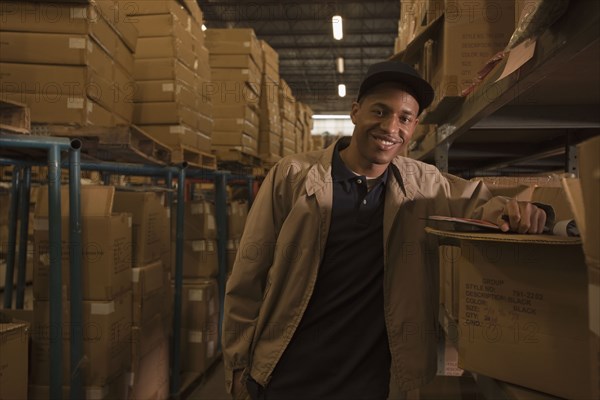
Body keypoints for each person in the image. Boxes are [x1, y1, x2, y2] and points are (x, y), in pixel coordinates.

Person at [222, 60, 548, 400]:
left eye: (404, 118)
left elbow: (483, 205)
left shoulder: (425, 184)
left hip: (371, 383)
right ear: (355, 112)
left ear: (414, 125)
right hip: (287, 376)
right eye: (380, 111)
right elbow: (247, 277)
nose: (391, 127)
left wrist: (524, 210)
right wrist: (238, 367)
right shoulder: (292, 176)